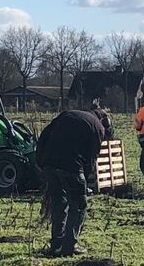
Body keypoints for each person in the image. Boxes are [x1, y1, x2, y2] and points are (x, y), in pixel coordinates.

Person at [35, 101, 111, 256]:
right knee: (78, 204)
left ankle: (56, 243)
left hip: (49, 164)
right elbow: (91, 158)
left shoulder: (68, 114)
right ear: (104, 120)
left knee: (58, 202)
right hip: (71, 167)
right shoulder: (98, 127)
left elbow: (44, 136)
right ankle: (70, 245)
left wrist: (41, 162)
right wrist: (87, 180)